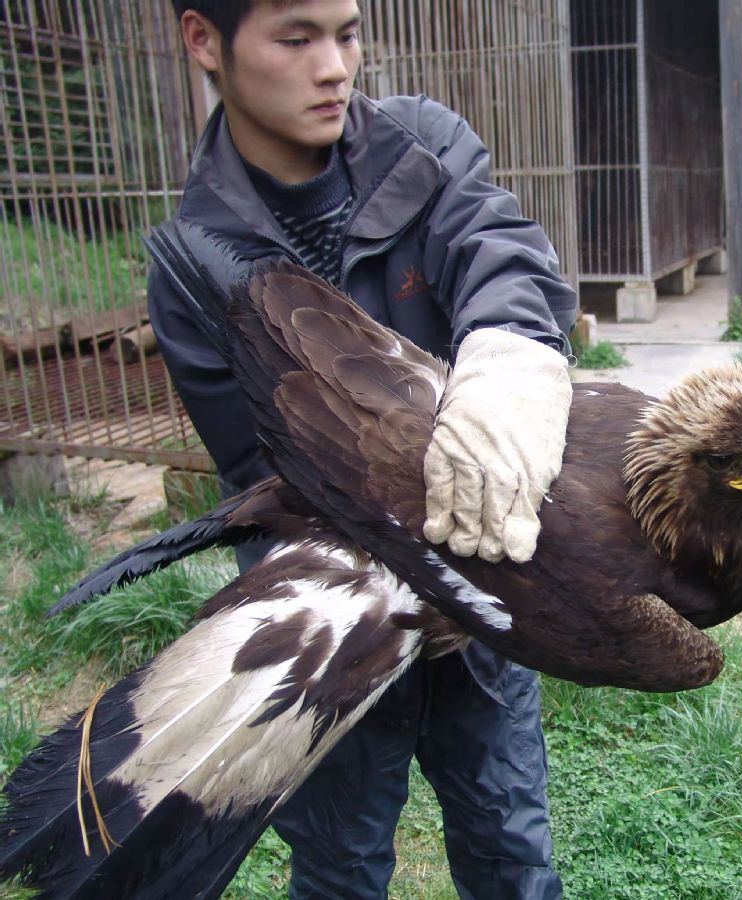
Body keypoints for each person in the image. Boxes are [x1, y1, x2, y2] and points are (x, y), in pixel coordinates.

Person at [147, 1, 577, 897]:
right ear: (204, 43)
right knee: (339, 862)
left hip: (484, 585)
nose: (336, 66)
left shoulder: (421, 145)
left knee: (509, 842)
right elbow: (263, 472)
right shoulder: (195, 259)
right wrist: (405, 566)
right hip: (341, 615)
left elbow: (499, 246)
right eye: (297, 38)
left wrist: (509, 351)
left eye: (346, 32)